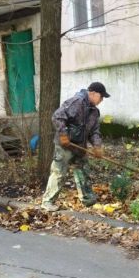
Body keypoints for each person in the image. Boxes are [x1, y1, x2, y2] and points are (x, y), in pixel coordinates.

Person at [42, 81, 110, 211]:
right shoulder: (76, 102)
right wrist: (63, 134)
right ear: (93, 93)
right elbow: (57, 116)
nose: (102, 100)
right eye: (101, 97)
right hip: (64, 146)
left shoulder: (94, 112)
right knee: (59, 173)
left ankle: (88, 200)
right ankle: (48, 201)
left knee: (83, 171)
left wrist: (97, 146)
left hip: (79, 146)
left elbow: (94, 131)